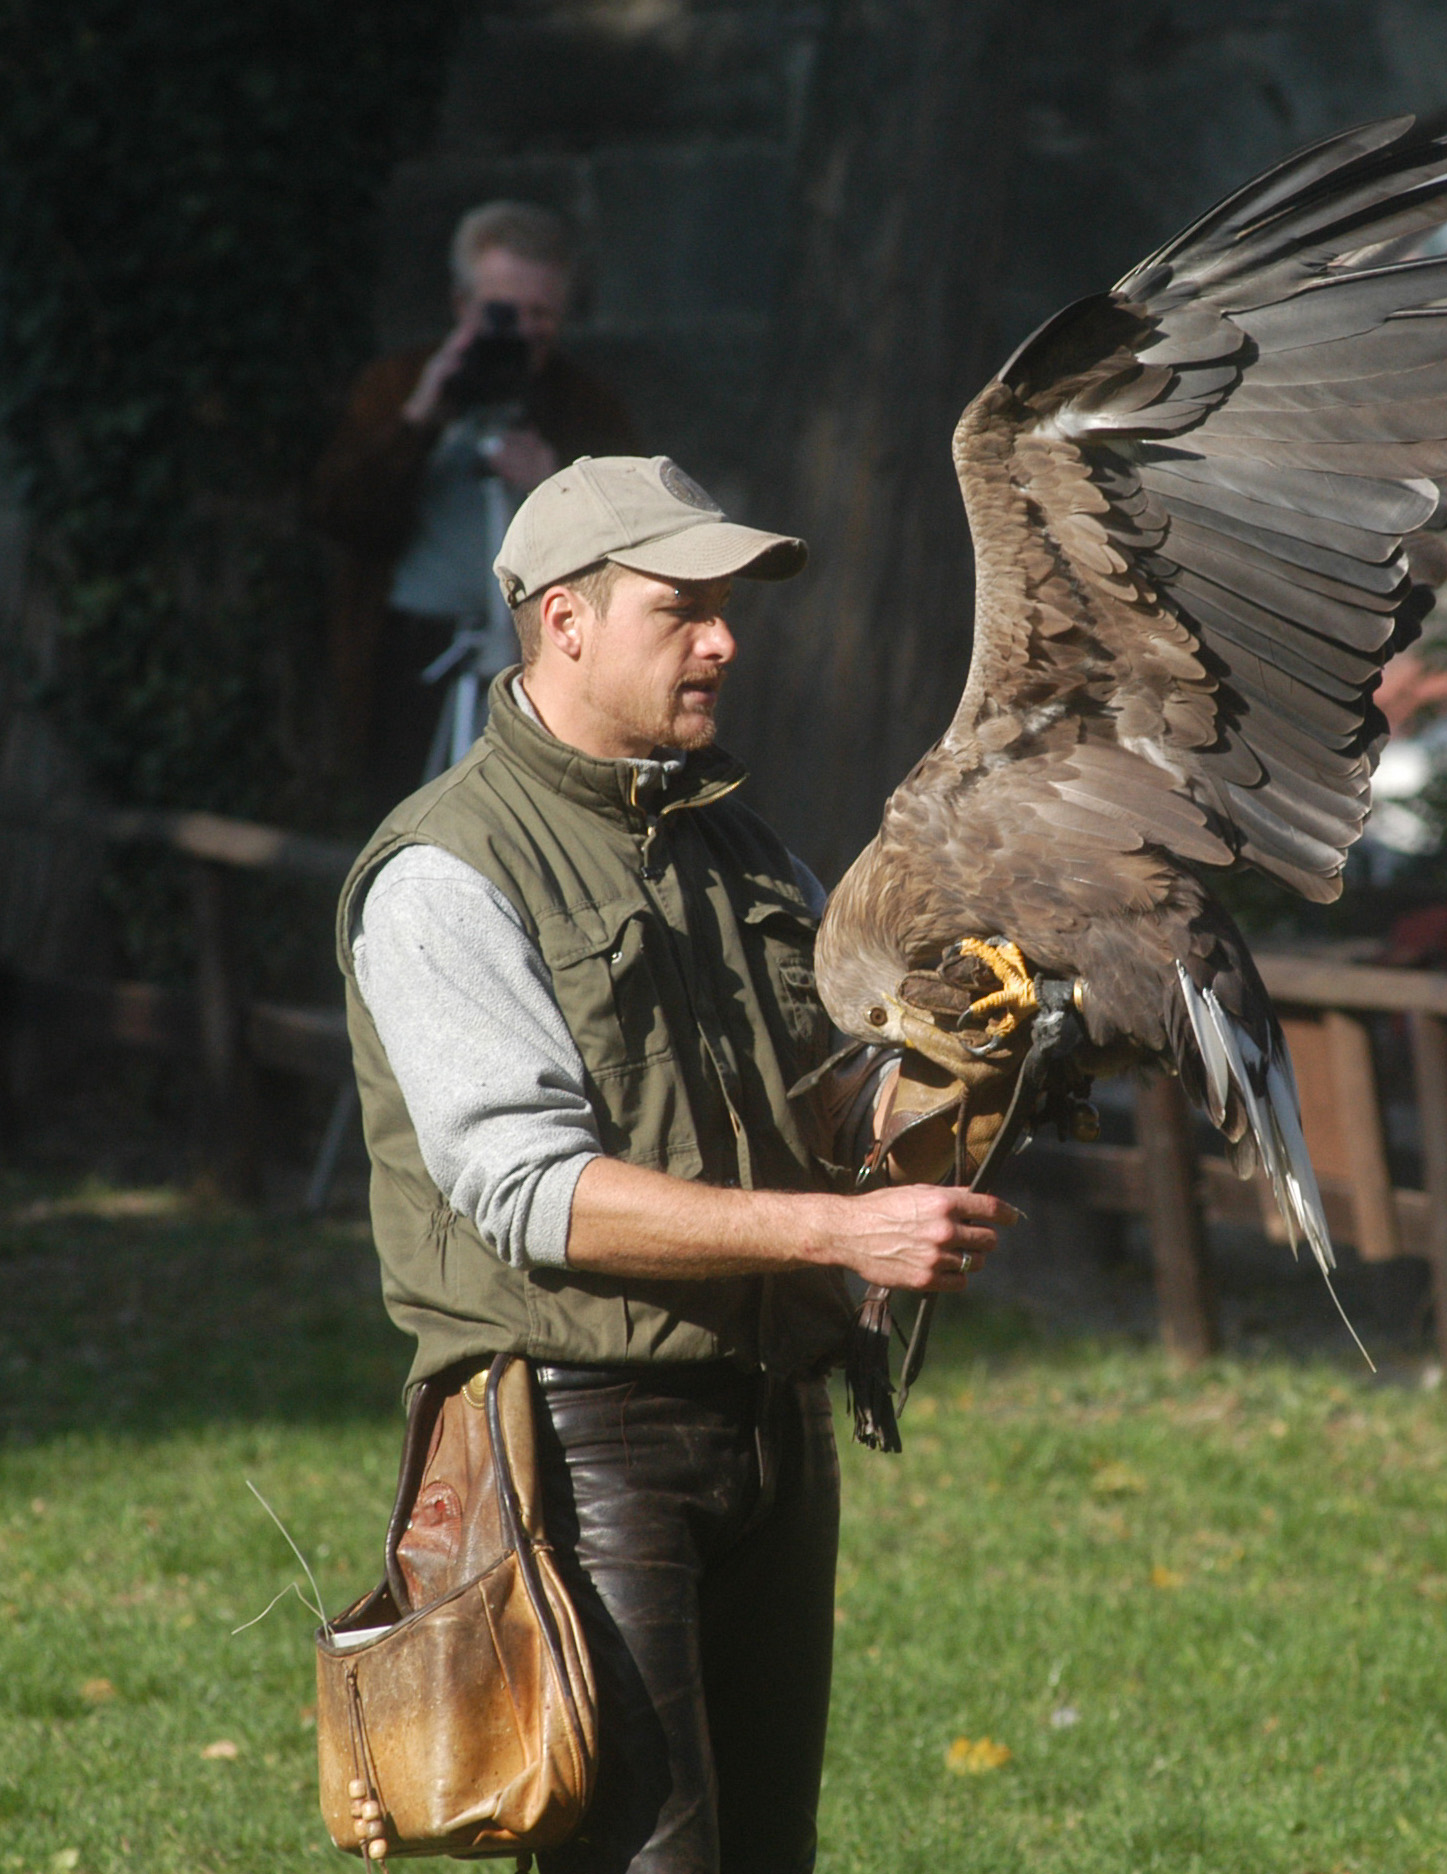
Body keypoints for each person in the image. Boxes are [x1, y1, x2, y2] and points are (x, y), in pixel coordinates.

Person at [338, 456, 1014, 1871]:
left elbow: (834, 1104)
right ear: (564, 621)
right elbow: (528, 1191)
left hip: (773, 1416)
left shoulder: (739, 840)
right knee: (644, 1857)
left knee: (764, 1851)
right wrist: (841, 1239)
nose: (725, 639)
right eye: (683, 608)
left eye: (727, 608)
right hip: (585, 1432)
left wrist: (976, 1065)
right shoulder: (444, 871)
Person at [313, 201, 640, 808]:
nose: (519, 331)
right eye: (503, 311)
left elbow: (635, 543)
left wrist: (555, 481)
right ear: (464, 306)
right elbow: (339, 514)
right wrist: (415, 422)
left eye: (540, 313)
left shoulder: (587, 406)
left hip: (543, 666)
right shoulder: (399, 384)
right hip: (414, 660)